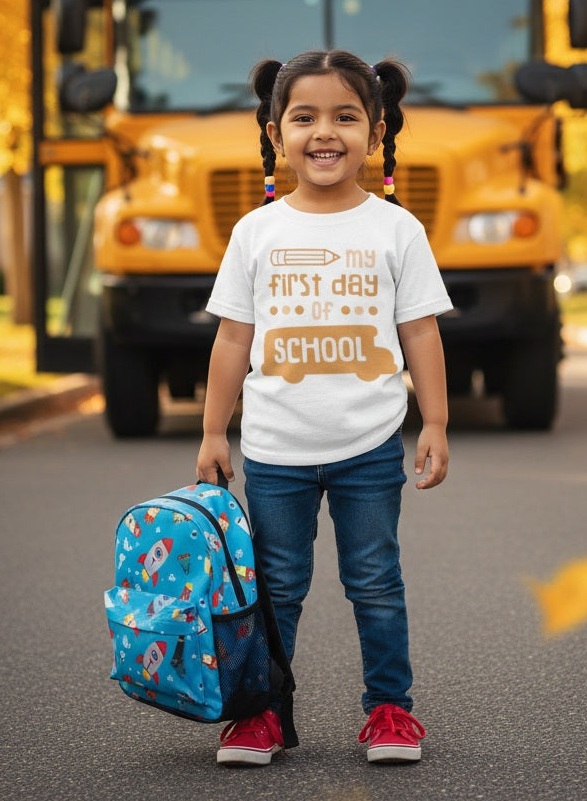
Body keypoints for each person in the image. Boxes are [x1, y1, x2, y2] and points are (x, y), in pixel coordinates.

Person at [196, 49, 451, 767]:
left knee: (374, 580)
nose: (324, 132)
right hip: (275, 452)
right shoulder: (257, 232)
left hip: (368, 446)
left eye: (345, 116)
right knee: (275, 587)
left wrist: (433, 421)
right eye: (303, 117)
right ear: (277, 134)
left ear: (375, 132)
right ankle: (261, 716)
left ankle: (391, 711)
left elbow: (420, 330)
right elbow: (233, 337)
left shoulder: (396, 229)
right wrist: (215, 430)